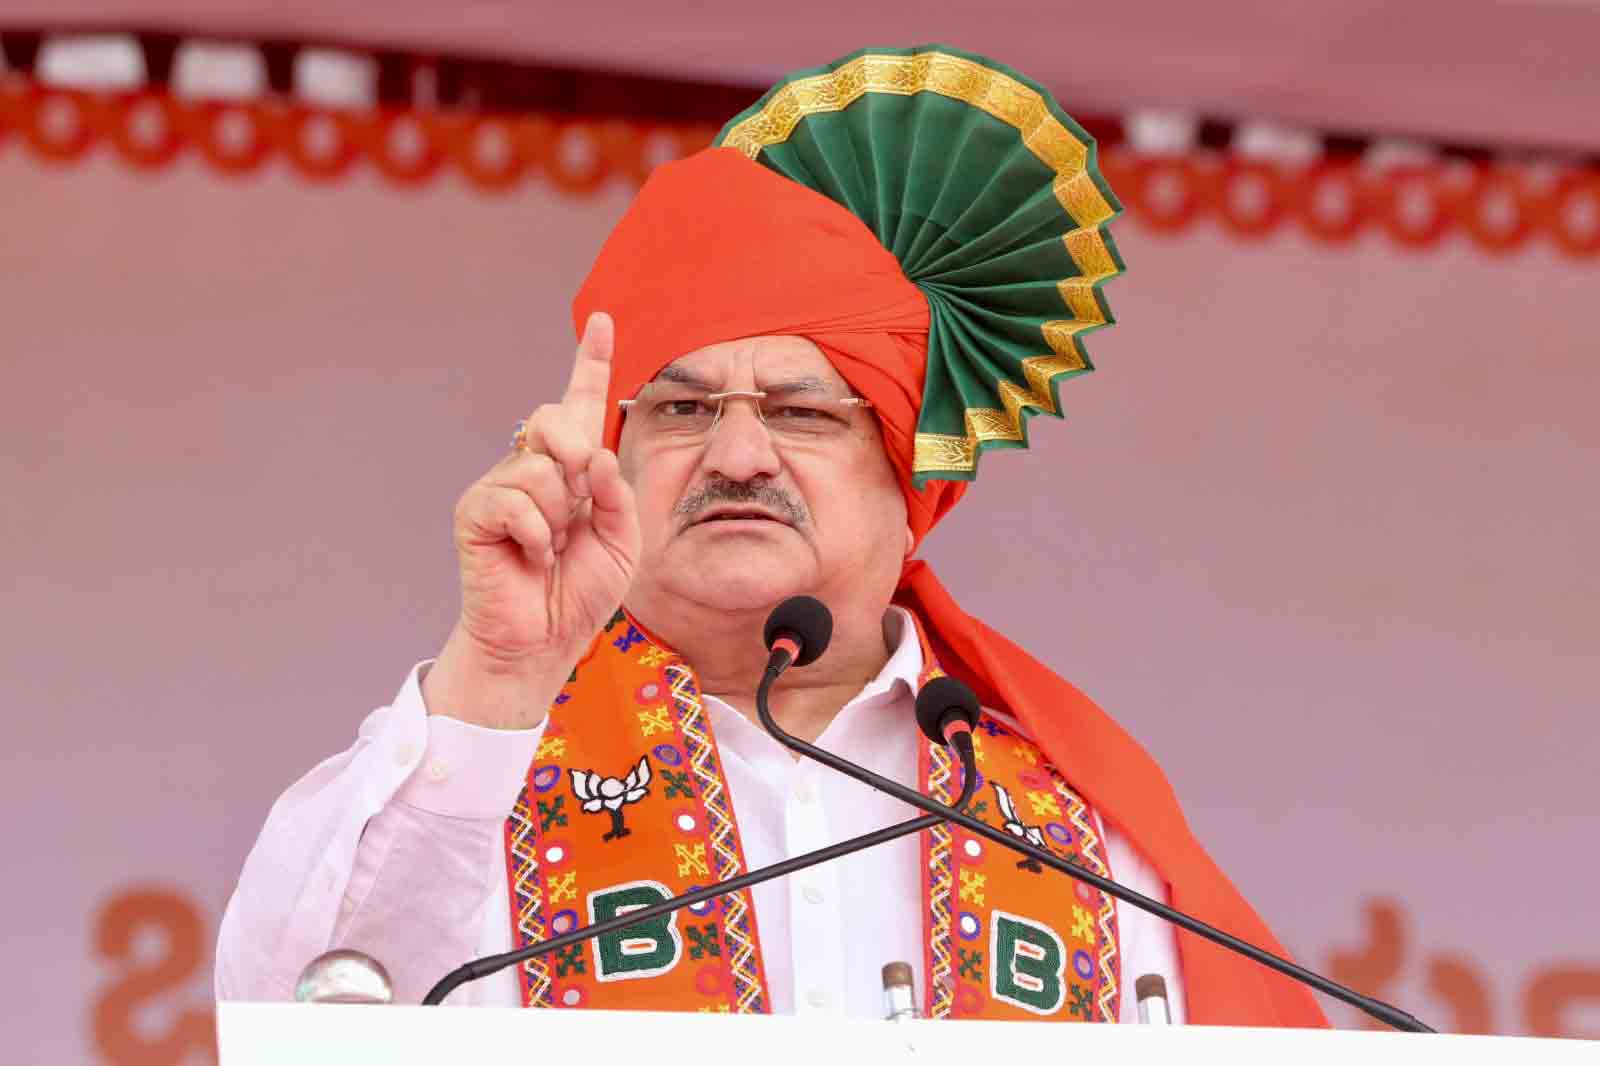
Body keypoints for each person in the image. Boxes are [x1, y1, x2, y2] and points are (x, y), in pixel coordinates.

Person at [216, 45, 1327, 1026]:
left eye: (801, 412)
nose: (738, 455)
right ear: (611, 461)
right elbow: (295, 1022)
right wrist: (495, 674)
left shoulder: (1075, 835)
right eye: (683, 409)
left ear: (911, 488)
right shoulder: (481, 769)